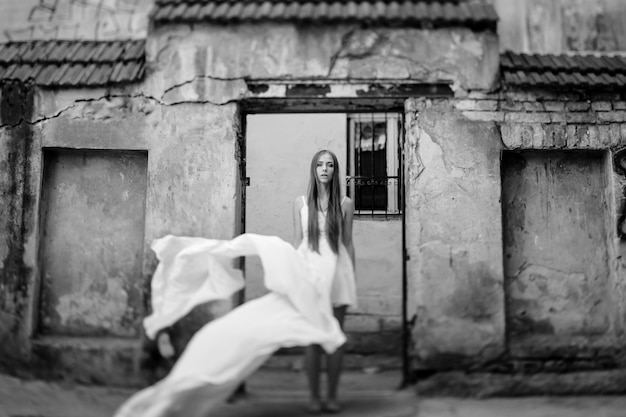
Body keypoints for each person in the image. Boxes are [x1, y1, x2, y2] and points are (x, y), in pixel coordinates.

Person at [293, 149, 357, 413]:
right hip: (309, 270)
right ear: (313, 169)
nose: (325, 169)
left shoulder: (345, 203)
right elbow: (297, 240)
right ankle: (314, 396)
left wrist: (351, 275)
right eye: (320, 164)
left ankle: (331, 395)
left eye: (330, 165)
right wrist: (293, 275)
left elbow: (348, 242)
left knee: (334, 337)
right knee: (312, 339)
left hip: (337, 272)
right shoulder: (300, 203)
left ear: (335, 170)